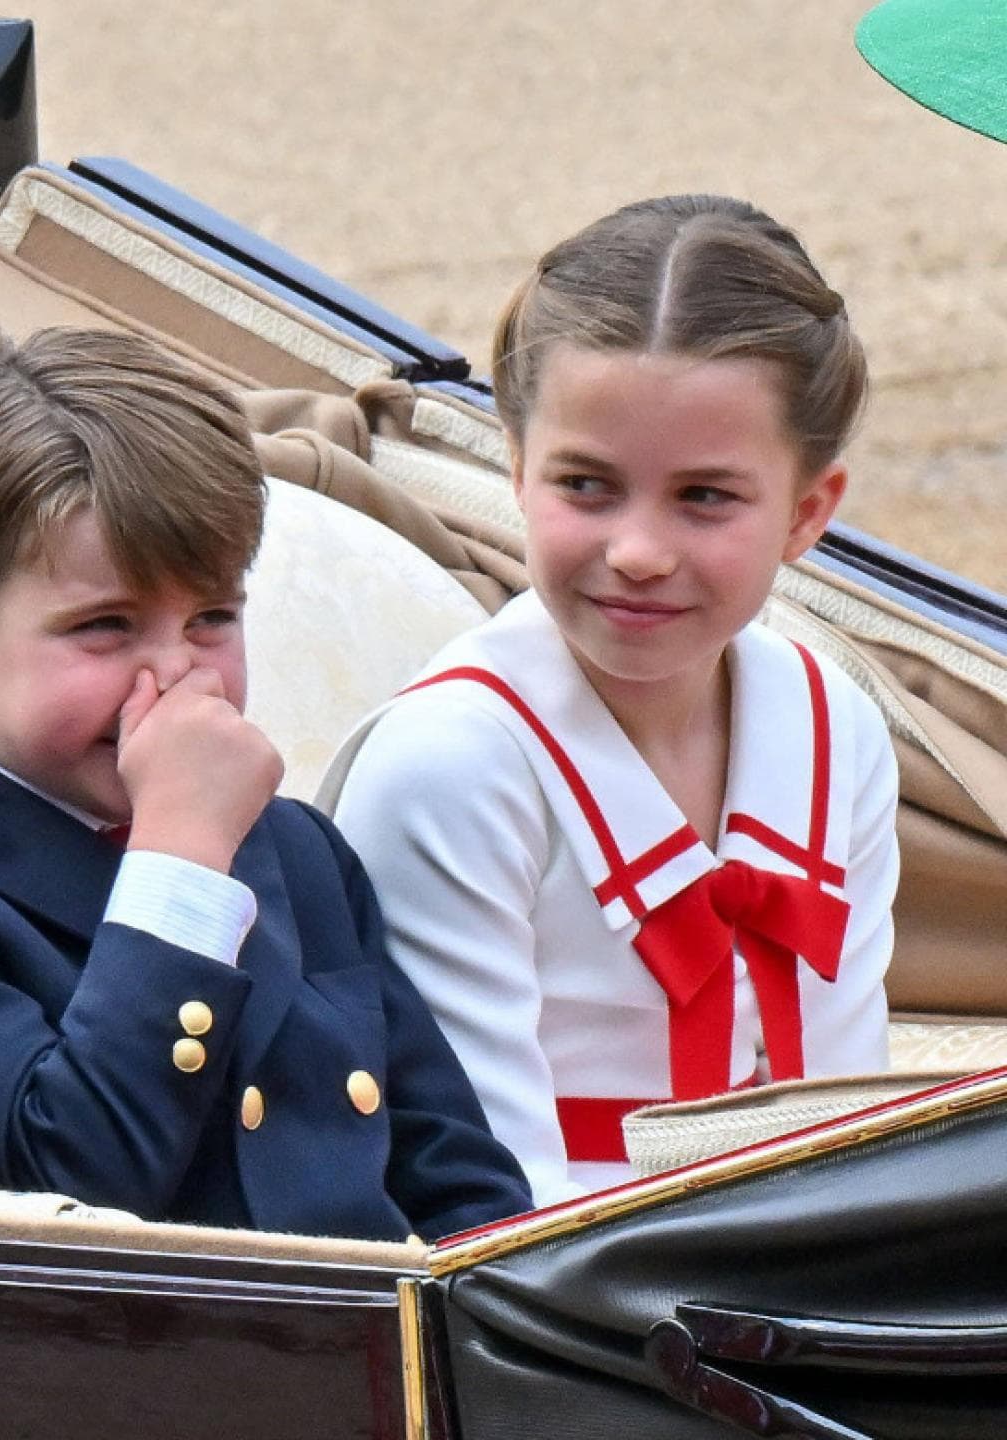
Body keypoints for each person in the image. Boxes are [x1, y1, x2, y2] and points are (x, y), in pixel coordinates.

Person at [0, 326, 530, 1240]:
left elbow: (458, 1180)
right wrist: (180, 858)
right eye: (105, 626)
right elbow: (76, 1182)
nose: (175, 674)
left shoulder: (291, 847)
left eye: (213, 616)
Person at [329, 195, 900, 1204]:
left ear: (808, 513)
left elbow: (851, 1128)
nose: (637, 553)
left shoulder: (834, 724)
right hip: (544, 1307)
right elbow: (483, 1200)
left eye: (705, 497)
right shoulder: (450, 769)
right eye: (586, 485)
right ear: (514, 467)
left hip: (795, 1288)